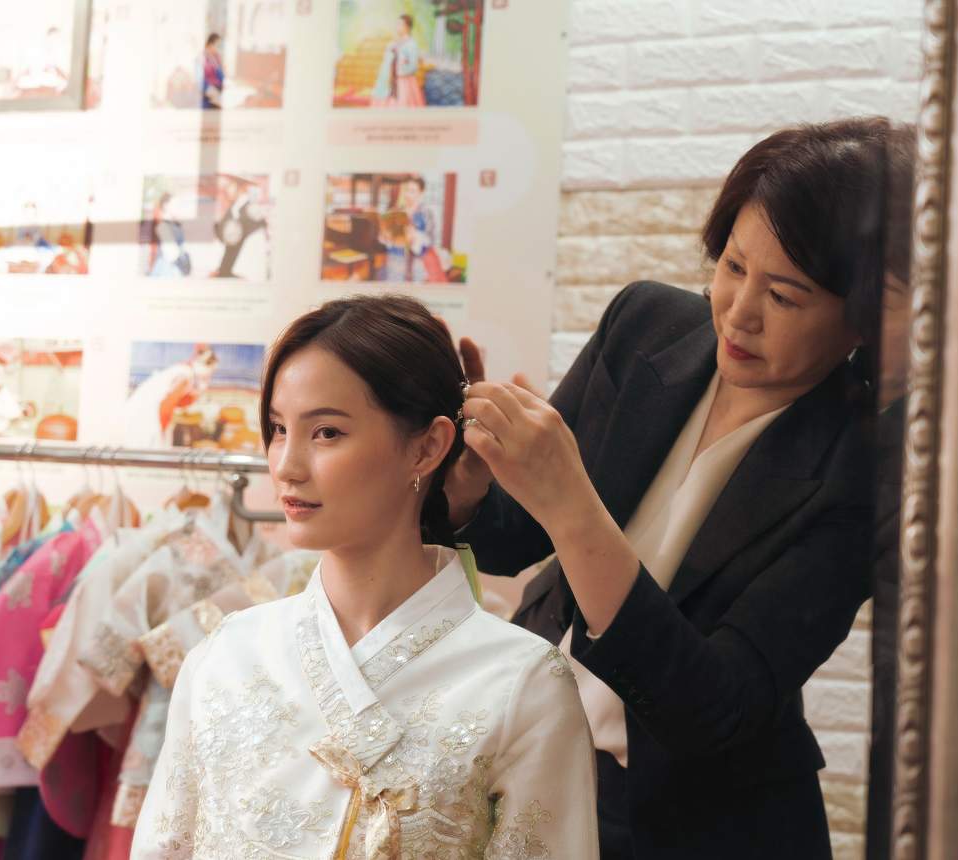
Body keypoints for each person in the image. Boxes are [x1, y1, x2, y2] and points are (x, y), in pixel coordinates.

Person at [448, 117, 914, 859]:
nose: (738, 312)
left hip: (700, 824)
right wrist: (471, 490)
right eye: (732, 267)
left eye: (785, 298)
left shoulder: (865, 471)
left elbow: (709, 706)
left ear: (857, 318)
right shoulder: (645, 326)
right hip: (538, 759)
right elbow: (511, 539)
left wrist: (569, 504)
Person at [132, 295, 598, 858]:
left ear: (427, 447)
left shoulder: (524, 683)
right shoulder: (222, 656)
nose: (286, 464)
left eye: (326, 432)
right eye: (279, 429)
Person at [120, 344, 218, 449]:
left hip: (141, 415)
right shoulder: (185, 376)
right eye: (209, 374)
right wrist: (162, 439)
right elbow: (166, 409)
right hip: (144, 418)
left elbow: (179, 403)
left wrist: (196, 393)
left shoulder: (183, 371)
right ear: (204, 368)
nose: (208, 378)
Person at [212, 175, 268, 278]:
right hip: (231, 271)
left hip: (246, 271)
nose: (226, 190)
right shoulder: (236, 206)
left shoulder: (250, 206)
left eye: (229, 186)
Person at [370, 14, 424, 108]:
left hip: (404, 82)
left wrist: (397, 72)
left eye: (400, 25)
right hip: (389, 81)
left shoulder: (411, 44)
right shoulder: (393, 43)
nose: (397, 27)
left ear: (407, 27)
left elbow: (413, 66)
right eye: (397, 24)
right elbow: (387, 62)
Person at [145, 192, 190, 278]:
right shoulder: (163, 226)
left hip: (175, 267)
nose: (177, 208)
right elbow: (171, 254)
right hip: (168, 269)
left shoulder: (175, 225)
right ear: (166, 205)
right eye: (175, 204)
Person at [199, 33, 224, 109]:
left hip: (217, 89)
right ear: (210, 44)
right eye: (217, 45)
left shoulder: (217, 57)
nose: (218, 48)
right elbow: (200, 77)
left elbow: (221, 75)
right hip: (208, 92)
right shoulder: (203, 57)